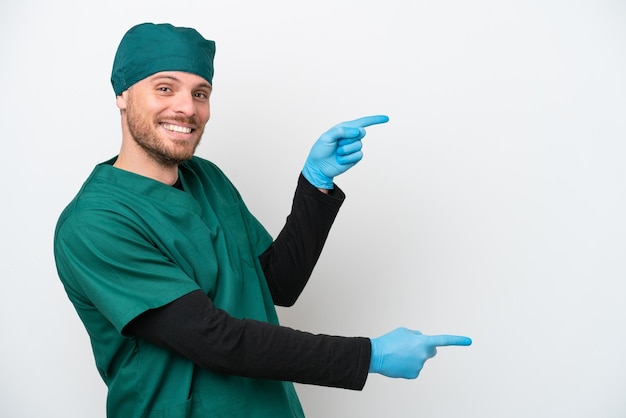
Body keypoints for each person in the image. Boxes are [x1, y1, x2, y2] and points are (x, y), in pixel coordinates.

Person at [53, 22, 472, 418]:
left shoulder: (207, 179)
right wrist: (369, 356)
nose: (186, 108)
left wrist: (315, 184)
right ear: (122, 95)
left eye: (201, 93)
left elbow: (276, 284)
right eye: (165, 88)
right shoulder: (94, 223)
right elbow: (215, 340)